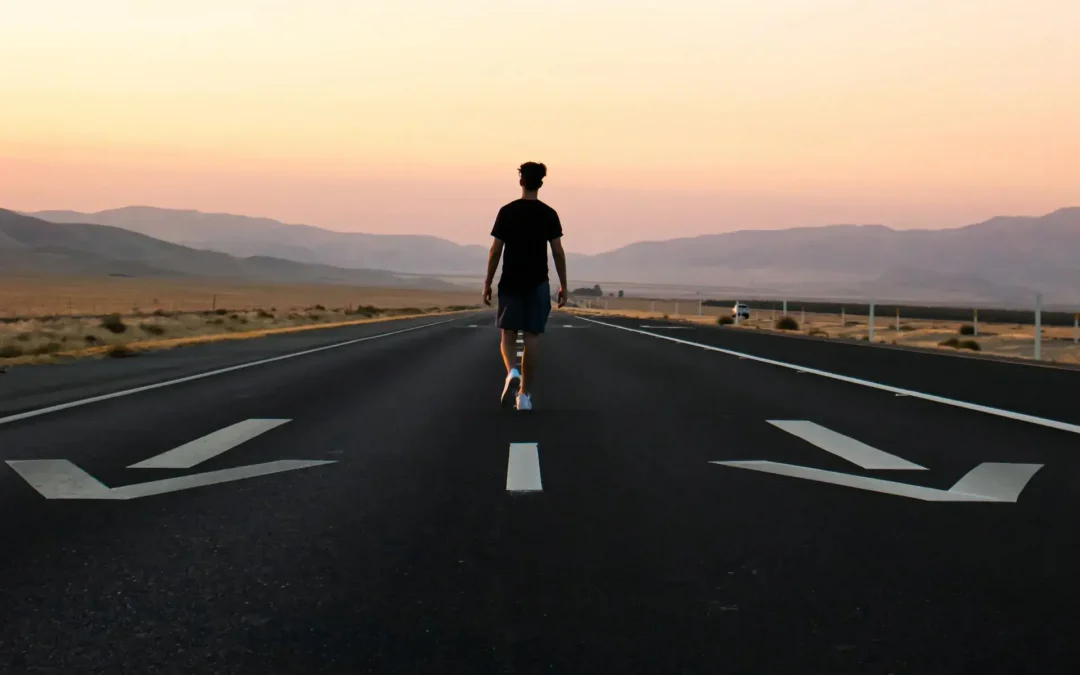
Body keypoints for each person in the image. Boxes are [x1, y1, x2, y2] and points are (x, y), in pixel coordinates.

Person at [483, 161, 568, 411]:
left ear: (521, 181)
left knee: (507, 334)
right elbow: (558, 252)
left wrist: (488, 281)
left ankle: (511, 371)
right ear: (540, 183)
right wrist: (563, 285)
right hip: (538, 282)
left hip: (510, 281)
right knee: (532, 337)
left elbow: (496, 249)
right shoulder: (549, 214)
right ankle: (525, 396)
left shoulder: (507, 212)